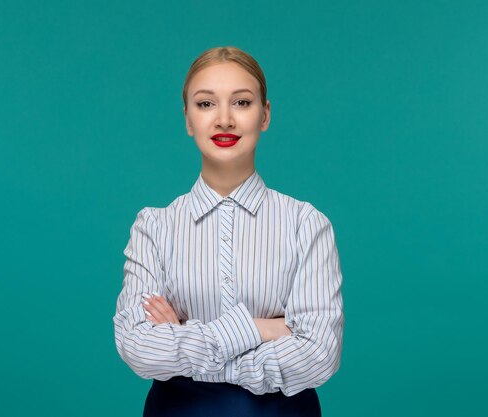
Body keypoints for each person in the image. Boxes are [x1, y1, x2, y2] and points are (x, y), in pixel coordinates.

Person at [113, 46, 344, 417]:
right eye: (205, 104)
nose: (224, 120)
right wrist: (258, 328)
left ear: (265, 115)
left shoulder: (306, 224)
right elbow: (139, 348)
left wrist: (185, 344)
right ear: (187, 119)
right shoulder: (154, 226)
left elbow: (319, 355)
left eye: (241, 102)